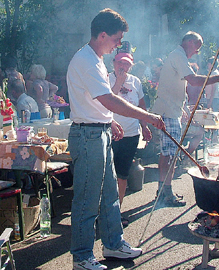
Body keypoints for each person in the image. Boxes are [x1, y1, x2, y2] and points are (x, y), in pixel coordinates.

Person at [67, 8, 164, 270]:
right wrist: (148, 115)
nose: (119, 44)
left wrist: (109, 120)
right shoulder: (86, 60)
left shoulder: (96, 58)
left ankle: (112, 243)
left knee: (110, 192)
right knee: (87, 200)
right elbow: (108, 98)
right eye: (116, 38)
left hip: (98, 132)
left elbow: (93, 100)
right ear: (102, 34)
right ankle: (82, 257)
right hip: (87, 136)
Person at [151, 31, 219, 207]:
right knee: (169, 155)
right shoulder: (178, 55)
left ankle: (163, 190)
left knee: (168, 154)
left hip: (171, 110)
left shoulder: (178, 56)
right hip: (168, 112)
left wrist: (182, 108)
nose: (198, 51)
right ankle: (165, 193)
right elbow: (194, 80)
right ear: (189, 42)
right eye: (198, 46)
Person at [108, 42, 152, 227]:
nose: (122, 67)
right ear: (114, 63)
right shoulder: (107, 78)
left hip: (131, 134)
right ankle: (104, 213)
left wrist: (145, 125)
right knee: (106, 175)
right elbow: (107, 101)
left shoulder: (135, 82)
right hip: (111, 133)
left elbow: (141, 106)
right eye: (119, 63)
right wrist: (118, 81)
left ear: (131, 65)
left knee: (122, 174)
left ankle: (116, 212)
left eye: (126, 64)